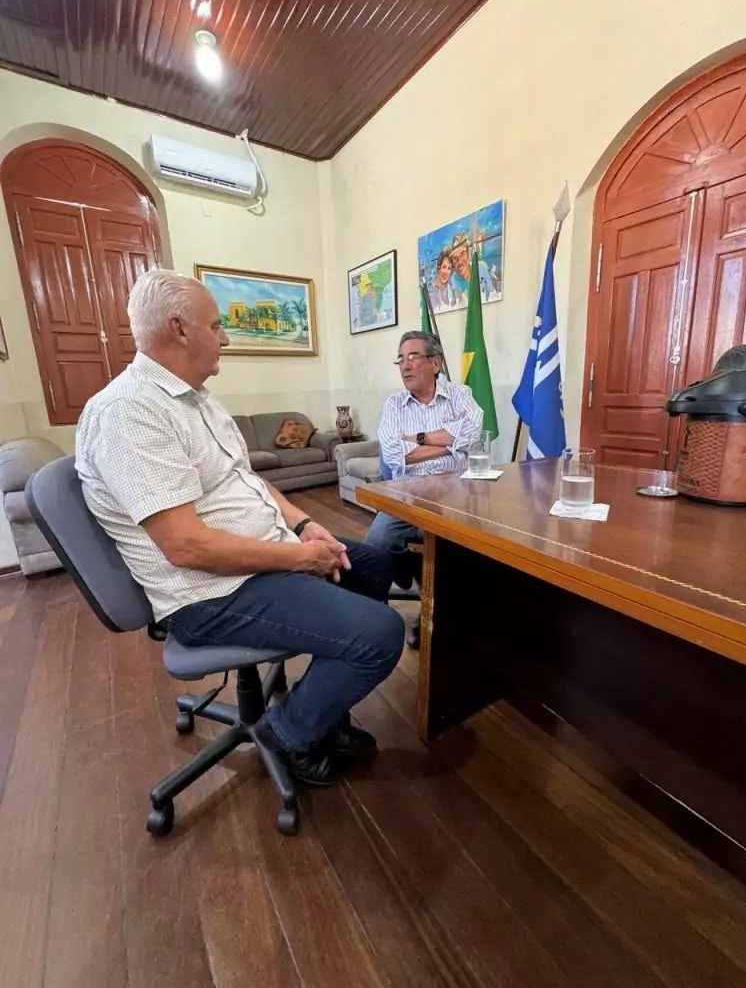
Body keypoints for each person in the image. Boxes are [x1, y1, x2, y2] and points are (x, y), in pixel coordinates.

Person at [76, 269, 404, 788]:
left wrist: (306, 524)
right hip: (210, 593)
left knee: (371, 563)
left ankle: (325, 705)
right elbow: (185, 546)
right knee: (383, 635)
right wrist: (298, 559)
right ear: (180, 329)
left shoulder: (197, 398)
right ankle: (289, 733)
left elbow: (244, 480)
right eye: (217, 325)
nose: (226, 338)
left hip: (258, 557)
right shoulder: (128, 412)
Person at [364, 330, 483, 645]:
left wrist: (416, 440)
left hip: (458, 495)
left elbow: (473, 431)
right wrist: (450, 445)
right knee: (375, 543)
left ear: (435, 362)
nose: (405, 366)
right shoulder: (394, 405)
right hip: (409, 493)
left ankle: (430, 605)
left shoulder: (460, 394)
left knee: (470, 551)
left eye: (413, 357)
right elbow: (393, 455)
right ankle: (377, 619)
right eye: (400, 359)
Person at [449, 231, 492, 304]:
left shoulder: (482, 268)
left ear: (468, 253)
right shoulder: (451, 282)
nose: (459, 261)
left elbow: (492, 294)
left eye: (462, 254)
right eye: (455, 258)